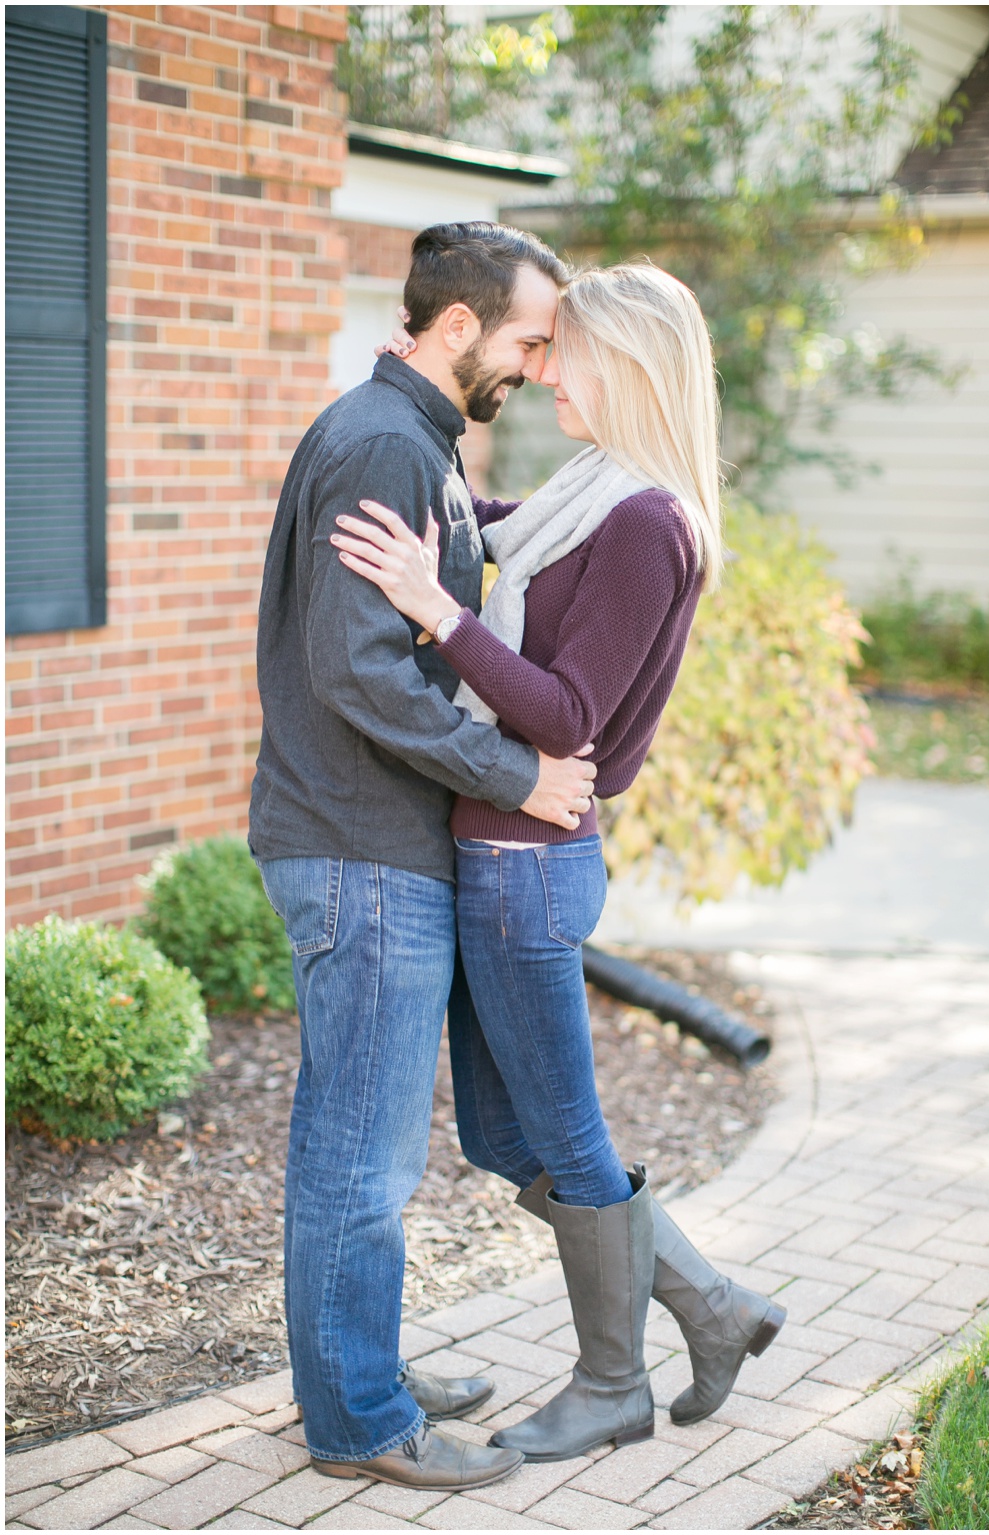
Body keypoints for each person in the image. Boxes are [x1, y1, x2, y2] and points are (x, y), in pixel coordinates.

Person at [328, 260, 786, 1464]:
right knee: (500, 1134)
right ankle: (710, 1305)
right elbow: (484, 532)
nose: (540, 373)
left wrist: (436, 610)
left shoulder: (645, 520)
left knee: (569, 1137)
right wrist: (400, 452)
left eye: (560, 353)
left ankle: (610, 1383)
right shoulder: (594, 491)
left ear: (626, 366)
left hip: (533, 861)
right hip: (501, 852)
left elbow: (566, 710)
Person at [251, 221, 594, 1492]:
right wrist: (520, 773)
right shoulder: (386, 443)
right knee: (359, 1151)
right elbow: (359, 672)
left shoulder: (416, 447)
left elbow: (473, 549)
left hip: (372, 845)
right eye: (524, 336)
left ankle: (358, 1369)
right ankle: (357, 1419)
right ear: (458, 328)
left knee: (363, 1143)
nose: (531, 360)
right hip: (357, 847)